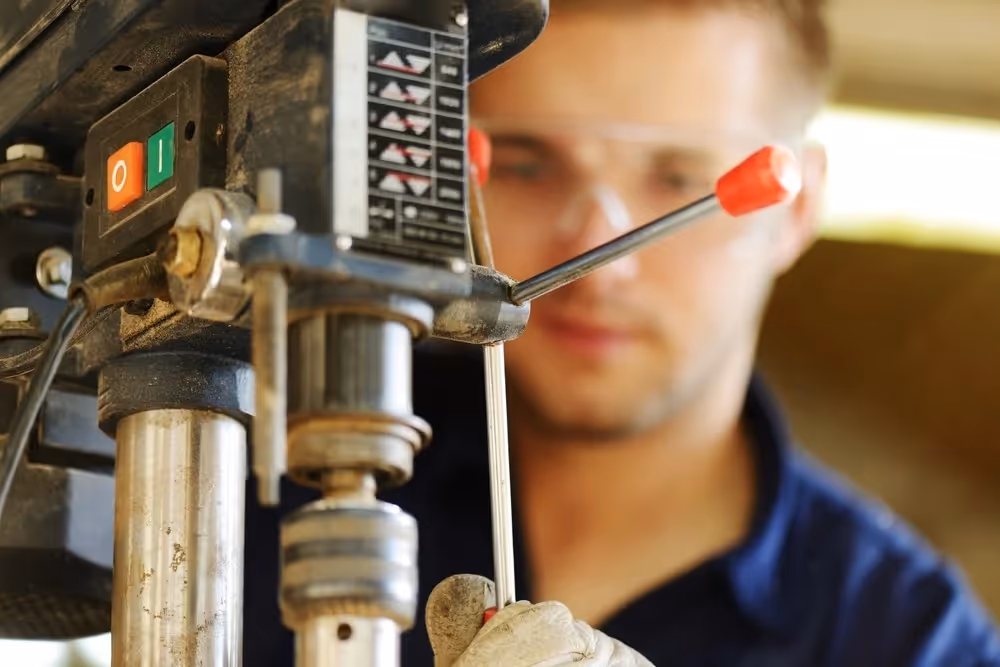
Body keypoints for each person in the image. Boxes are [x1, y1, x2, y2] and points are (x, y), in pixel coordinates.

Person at [244, 0, 1000, 664]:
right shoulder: (266, 475)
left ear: (795, 208)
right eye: (529, 164)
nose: (598, 266)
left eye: (677, 180)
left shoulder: (911, 641)